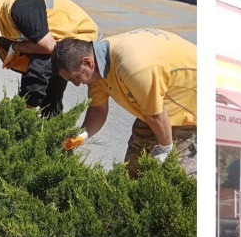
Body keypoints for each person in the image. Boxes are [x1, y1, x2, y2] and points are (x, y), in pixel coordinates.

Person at [52, 29, 198, 177]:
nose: (77, 84)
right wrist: (80, 136)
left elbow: (156, 115)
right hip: (154, 109)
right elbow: (98, 109)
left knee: (174, 175)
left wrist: (165, 149)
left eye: (75, 78)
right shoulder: (97, 68)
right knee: (133, 170)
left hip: (189, 104)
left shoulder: (133, 66)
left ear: (88, 63)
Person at [0, 0, 98, 117]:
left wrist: (16, 47)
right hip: (48, 40)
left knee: (39, 73)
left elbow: (50, 48)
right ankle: (37, 121)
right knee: (38, 73)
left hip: (76, 34)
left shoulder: (20, 10)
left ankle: (29, 120)